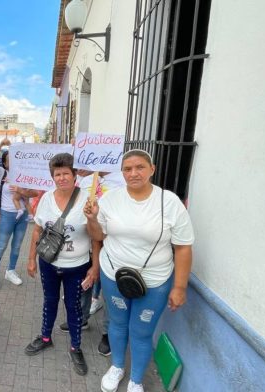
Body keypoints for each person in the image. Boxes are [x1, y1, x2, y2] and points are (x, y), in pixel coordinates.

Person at [84, 149, 194, 392]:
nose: (133, 173)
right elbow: (98, 236)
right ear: (121, 172)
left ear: (152, 169)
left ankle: (136, 380)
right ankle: (117, 367)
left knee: (141, 332)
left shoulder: (170, 202)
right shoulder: (110, 199)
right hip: (113, 276)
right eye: (127, 169)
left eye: (140, 167)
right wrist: (92, 219)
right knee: (117, 324)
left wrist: (180, 286)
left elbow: (183, 248)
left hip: (154, 282)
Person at [24, 153, 100, 376]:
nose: (62, 178)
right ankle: (46, 337)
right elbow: (38, 229)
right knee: (49, 300)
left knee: (74, 306)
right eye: (57, 174)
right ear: (52, 176)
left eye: (66, 173)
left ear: (74, 174)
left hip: (77, 266)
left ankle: (76, 346)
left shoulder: (88, 199)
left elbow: (96, 238)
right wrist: (31, 260)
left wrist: (95, 267)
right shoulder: (46, 198)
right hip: (49, 263)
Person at [58, 169, 126, 356]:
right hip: (88, 243)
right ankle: (82, 319)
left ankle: (107, 333)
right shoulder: (86, 180)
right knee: (84, 284)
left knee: (110, 292)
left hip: (113, 244)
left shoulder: (122, 179)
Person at [0, 149, 38, 289]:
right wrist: (0, 145)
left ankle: (10, 271)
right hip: (6, 214)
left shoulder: (25, 174)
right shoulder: (1, 173)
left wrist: (21, 190)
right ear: (4, 163)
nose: (12, 161)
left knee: (17, 247)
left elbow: (36, 192)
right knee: (1, 245)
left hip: (22, 215)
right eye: (9, 159)